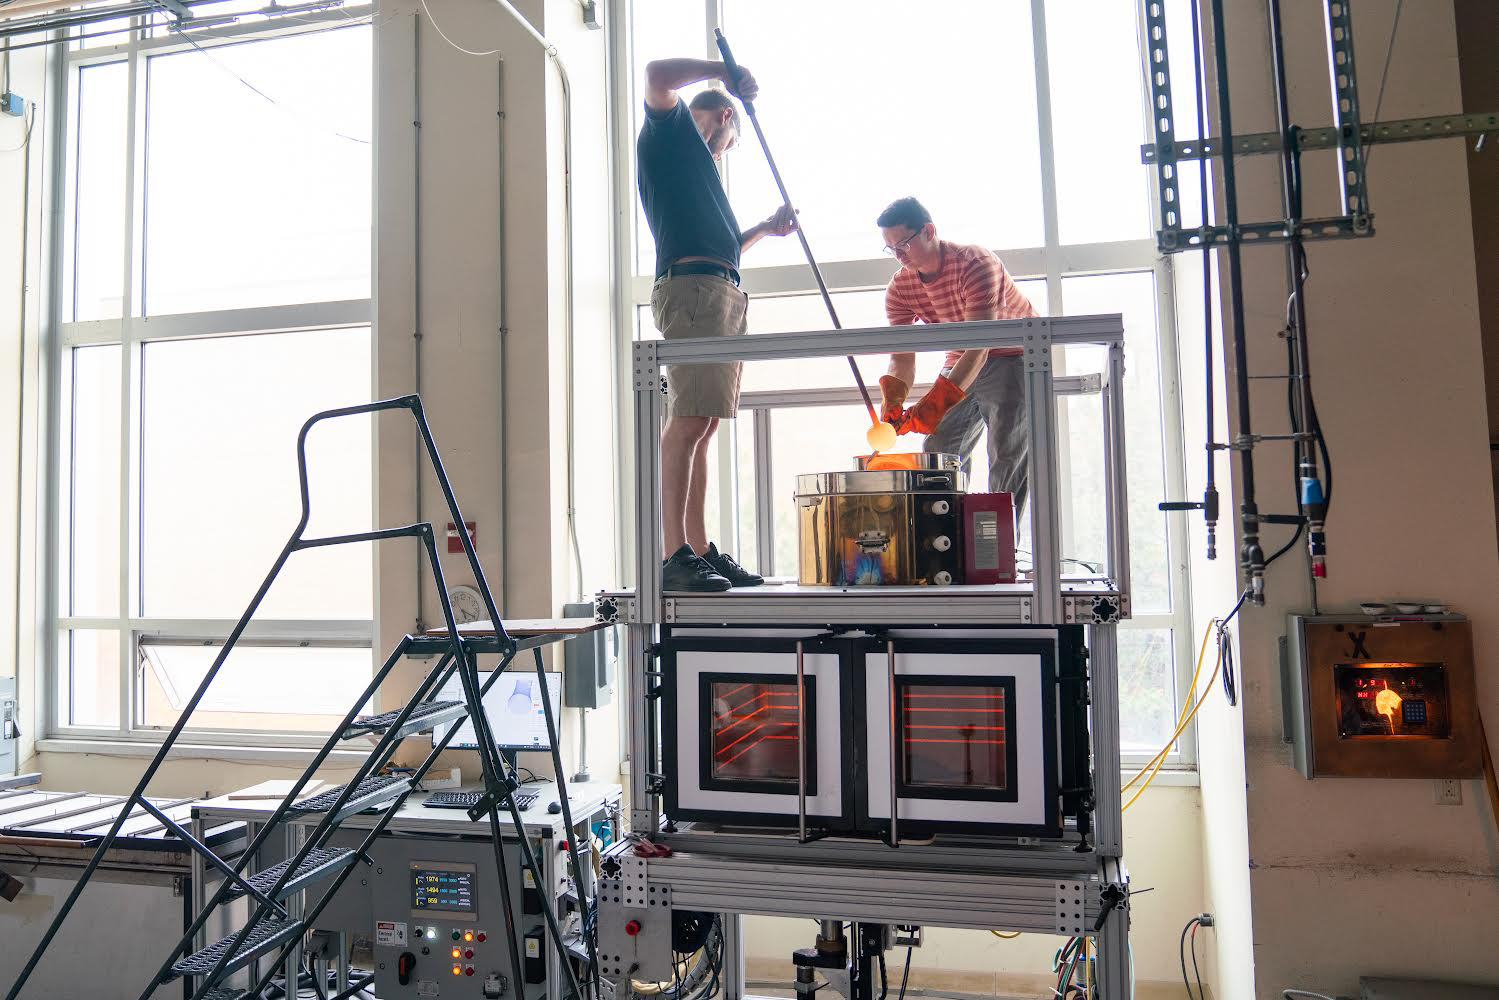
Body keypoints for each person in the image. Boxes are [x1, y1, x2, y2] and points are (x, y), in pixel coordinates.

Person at [638, 57, 798, 592]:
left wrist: (763, 230)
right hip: (694, 292)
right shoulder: (673, 135)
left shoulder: (700, 172)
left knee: (703, 423)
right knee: (687, 419)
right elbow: (657, 72)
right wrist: (722, 70)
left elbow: (718, 247)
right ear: (727, 117)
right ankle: (673, 557)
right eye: (732, 139)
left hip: (719, 288)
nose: (727, 150)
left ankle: (699, 550)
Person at [875, 197, 1040, 516]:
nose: (898, 255)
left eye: (904, 244)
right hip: (960, 360)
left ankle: (1002, 553)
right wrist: (893, 400)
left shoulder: (975, 263)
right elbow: (902, 356)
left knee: (1006, 454)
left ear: (928, 231)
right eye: (890, 248)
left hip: (1011, 356)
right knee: (939, 449)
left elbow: (980, 345)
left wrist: (934, 405)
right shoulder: (900, 288)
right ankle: (944, 543)